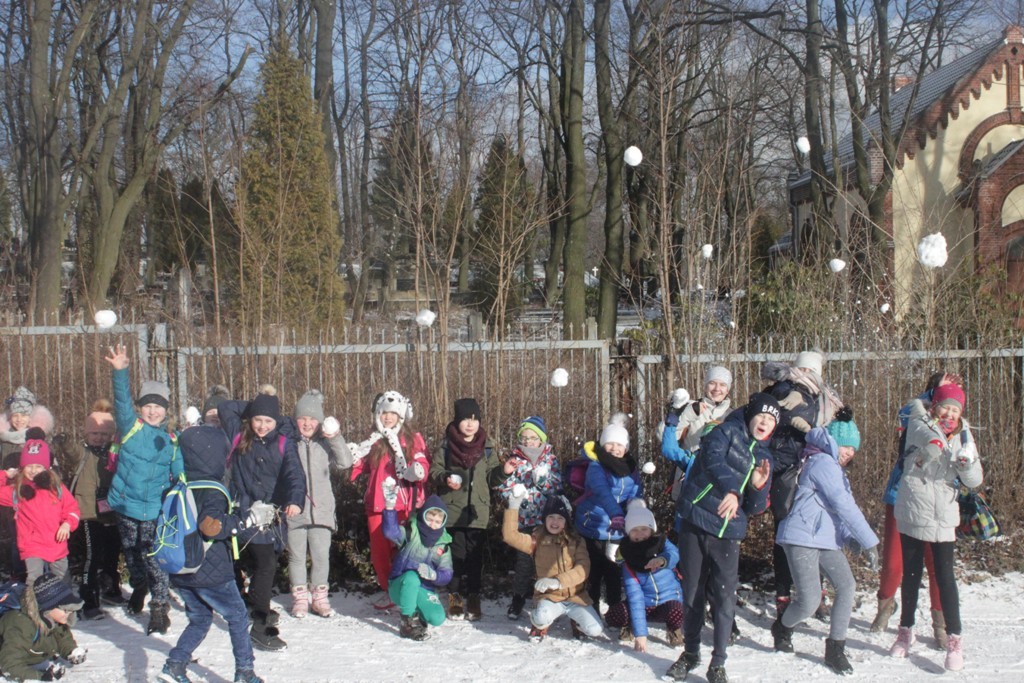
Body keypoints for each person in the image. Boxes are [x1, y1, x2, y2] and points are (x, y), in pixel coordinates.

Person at [666, 393, 776, 683]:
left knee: (724, 597)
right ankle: (690, 653)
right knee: (692, 592)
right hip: (696, 519)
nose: (765, 422)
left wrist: (758, 487)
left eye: (771, 420)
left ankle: (718, 662)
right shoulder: (725, 432)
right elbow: (712, 461)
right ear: (750, 416)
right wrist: (733, 489)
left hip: (727, 533)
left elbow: (754, 508)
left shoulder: (765, 458)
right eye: (762, 416)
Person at [158, 423, 265, 683]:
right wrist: (246, 520)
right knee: (237, 616)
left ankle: (174, 665)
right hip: (210, 570)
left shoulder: (180, 486)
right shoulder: (213, 490)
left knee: (200, 618)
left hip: (182, 568)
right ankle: (245, 671)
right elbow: (211, 526)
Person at [773, 414, 880, 674]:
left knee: (846, 585)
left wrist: (850, 538)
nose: (850, 452)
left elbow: (834, 511)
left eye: (853, 448)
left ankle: (835, 648)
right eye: (846, 446)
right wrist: (869, 541)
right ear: (833, 441)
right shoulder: (822, 462)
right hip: (800, 537)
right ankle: (782, 628)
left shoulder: (833, 467)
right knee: (809, 602)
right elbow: (844, 504)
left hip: (824, 539)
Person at [889, 382, 983, 671]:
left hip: (943, 514)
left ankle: (954, 640)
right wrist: (934, 444)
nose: (950, 414)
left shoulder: (964, 435)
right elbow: (924, 434)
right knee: (911, 574)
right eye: (945, 407)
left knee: (945, 577)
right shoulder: (919, 422)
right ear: (935, 407)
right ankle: (905, 631)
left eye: (956, 410)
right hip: (914, 508)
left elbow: (975, 480)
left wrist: (966, 466)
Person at [218, 386, 306, 652]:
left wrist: (295, 500)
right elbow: (225, 407)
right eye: (258, 419)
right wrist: (258, 402)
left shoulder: (284, 442)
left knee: (265, 563)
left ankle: (257, 606)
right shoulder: (239, 433)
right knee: (264, 564)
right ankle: (259, 624)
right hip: (244, 511)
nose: (262, 426)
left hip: (271, 514)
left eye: (269, 420)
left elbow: (294, 474)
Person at [104, 343, 183, 634]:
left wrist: (183, 487)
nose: (153, 411)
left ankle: (159, 608)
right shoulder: (130, 427)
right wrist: (120, 372)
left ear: (166, 410)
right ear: (141, 408)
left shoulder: (172, 440)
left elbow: (179, 470)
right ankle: (139, 586)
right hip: (126, 504)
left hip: (154, 509)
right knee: (132, 554)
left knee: (154, 557)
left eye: (158, 406)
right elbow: (121, 401)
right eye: (148, 405)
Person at [871, 372, 954, 644]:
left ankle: (940, 623)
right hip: (903, 495)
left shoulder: (957, 426)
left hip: (937, 503)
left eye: (955, 399)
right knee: (894, 562)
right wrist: (934, 392)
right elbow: (906, 415)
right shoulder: (917, 413)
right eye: (945, 397)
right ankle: (885, 606)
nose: (950, 408)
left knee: (937, 566)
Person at [762, 350, 843, 624]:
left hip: (812, 470)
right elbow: (771, 414)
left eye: (811, 371)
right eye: (803, 369)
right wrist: (792, 408)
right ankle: (783, 597)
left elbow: (833, 427)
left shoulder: (824, 396)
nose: (806, 374)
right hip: (786, 470)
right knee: (785, 535)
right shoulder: (784, 387)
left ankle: (815, 594)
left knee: (816, 533)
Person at [349, 391, 430, 610]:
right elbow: (363, 465)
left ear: (401, 416)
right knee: (380, 553)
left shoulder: (412, 439)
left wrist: (418, 470)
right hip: (377, 504)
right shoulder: (374, 440)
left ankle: (408, 590)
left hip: (403, 505)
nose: (388, 417)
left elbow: (422, 462)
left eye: (393, 414)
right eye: (384, 413)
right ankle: (389, 590)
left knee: (403, 550)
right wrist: (350, 460)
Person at [429, 398, 501, 621]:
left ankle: (474, 597)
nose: (470, 424)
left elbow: (493, 477)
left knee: (475, 559)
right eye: (465, 419)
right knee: (455, 558)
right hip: (453, 511)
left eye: (474, 419)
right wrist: (445, 478)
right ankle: (455, 599)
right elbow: (434, 471)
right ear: (456, 421)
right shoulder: (446, 446)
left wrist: (505, 471)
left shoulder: (487, 448)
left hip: (477, 511)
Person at [285, 389, 352, 619]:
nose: (307, 423)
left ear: (320, 422)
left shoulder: (325, 444)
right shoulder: (289, 443)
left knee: (321, 556)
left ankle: (320, 598)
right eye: (302, 418)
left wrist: (335, 437)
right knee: (296, 556)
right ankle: (299, 599)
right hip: (295, 509)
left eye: (312, 419)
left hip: (321, 510)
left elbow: (345, 462)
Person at [502, 490, 602, 642]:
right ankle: (539, 625)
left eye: (560, 518)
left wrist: (558, 581)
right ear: (545, 518)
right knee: (541, 617)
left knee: (595, 630)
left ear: (566, 521)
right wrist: (513, 507)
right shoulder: (537, 539)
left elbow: (583, 569)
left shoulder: (577, 541)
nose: (555, 522)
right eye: (551, 517)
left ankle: (576, 621)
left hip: (576, 598)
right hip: (550, 597)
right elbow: (510, 537)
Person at [574, 413, 641, 617]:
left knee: (614, 570)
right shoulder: (596, 466)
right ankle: (591, 609)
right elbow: (602, 492)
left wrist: (636, 509)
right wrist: (616, 514)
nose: (614, 448)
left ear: (626, 448)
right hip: (593, 524)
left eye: (619, 444)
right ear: (603, 445)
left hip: (617, 529)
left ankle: (615, 611)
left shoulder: (630, 468)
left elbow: (636, 491)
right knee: (593, 570)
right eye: (610, 443)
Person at [495, 416, 562, 620]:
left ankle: (546, 599)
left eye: (533, 438)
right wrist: (513, 494)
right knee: (524, 563)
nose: (528, 442)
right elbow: (503, 486)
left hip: (546, 522)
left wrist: (542, 481)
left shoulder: (550, 460)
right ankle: (518, 598)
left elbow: (557, 486)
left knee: (546, 561)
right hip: (523, 521)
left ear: (541, 439)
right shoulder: (515, 459)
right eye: (524, 438)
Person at [69, 400, 125, 619]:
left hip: (112, 511)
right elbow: (70, 451)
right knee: (91, 557)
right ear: (86, 434)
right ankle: (88, 599)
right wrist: (63, 442)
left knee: (112, 554)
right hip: (89, 513)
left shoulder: (115, 454)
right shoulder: (82, 453)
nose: (99, 438)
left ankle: (111, 587)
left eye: (104, 434)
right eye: (94, 433)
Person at [0, 433, 80, 585]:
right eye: (29, 466)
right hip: (32, 545)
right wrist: (5, 474)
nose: (33, 470)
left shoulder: (57, 488)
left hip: (56, 543)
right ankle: (32, 601)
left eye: (38, 466)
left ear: (47, 468)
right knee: (34, 580)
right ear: (22, 467)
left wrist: (67, 524)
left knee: (62, 580)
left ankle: (64, 601)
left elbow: (72, 509)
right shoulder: (18, 491)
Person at [604, 500, 684, 651]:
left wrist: (662, 560)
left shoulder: (662, 543)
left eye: (644, 529)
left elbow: (674, 554)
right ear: (628, 532)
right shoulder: (628, 556)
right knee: (614, 615)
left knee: (676, 611)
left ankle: (674, 629)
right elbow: (635, 596)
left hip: (667, 601)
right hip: (645, 604)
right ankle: (630, 626)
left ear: (651, 529)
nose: (639, 533)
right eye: (634, 529)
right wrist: (641, 634)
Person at [382, 482, 453, 641]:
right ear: (423, 516)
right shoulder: (411, 532)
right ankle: (407, 622)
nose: (433, 524)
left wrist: (434, 575)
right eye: (430, 519)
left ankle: (416, 613)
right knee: (412, 577)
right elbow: (390, 532)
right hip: (400, 585)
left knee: (437, 618)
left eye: (437, 521)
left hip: (424, 588)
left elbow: (447, 573)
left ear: (443, 522)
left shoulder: (443, 545)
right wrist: (389, 507)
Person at [1, 387, 54, 582]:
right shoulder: (4, 439)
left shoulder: (38, 438)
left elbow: (50, 465)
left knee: (36, 534)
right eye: (15, 415)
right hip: (11, 494)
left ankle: (40, 571)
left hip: (36, 494)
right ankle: (18, 572)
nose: (19, 420)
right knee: (16, 535)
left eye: (23, 415)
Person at [661, 366, 733, 501]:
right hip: (688, 474)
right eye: (712, 383)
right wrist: (688, 415)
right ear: (705, 386)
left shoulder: (734, 416)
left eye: (722, 385)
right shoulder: (689, 407)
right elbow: (662, 435)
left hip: (720, 485)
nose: (717, 388)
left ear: (728, 389)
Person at [0, 573, 87, 682]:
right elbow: (10, 665)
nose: (69, 613)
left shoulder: (50, 618)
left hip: (33, 657)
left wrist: (71, 651)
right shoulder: (21, 624)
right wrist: (40, 676)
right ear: (48, 607)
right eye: (65, 610)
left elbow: (62, 636)